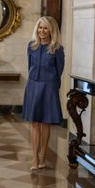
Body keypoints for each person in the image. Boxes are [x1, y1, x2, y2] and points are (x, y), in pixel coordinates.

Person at [22, 16, 64, 170]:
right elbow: (29, 67)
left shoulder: (57, 49)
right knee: (34, 123)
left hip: (49, 88)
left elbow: (59, 71)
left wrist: (53, 87)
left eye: (45, 28)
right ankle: (34, 158)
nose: (42, 31)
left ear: (51, 30)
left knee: (45, 123)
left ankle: (43, 156)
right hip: (33, 86)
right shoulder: (31, 46)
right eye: (40, 28)